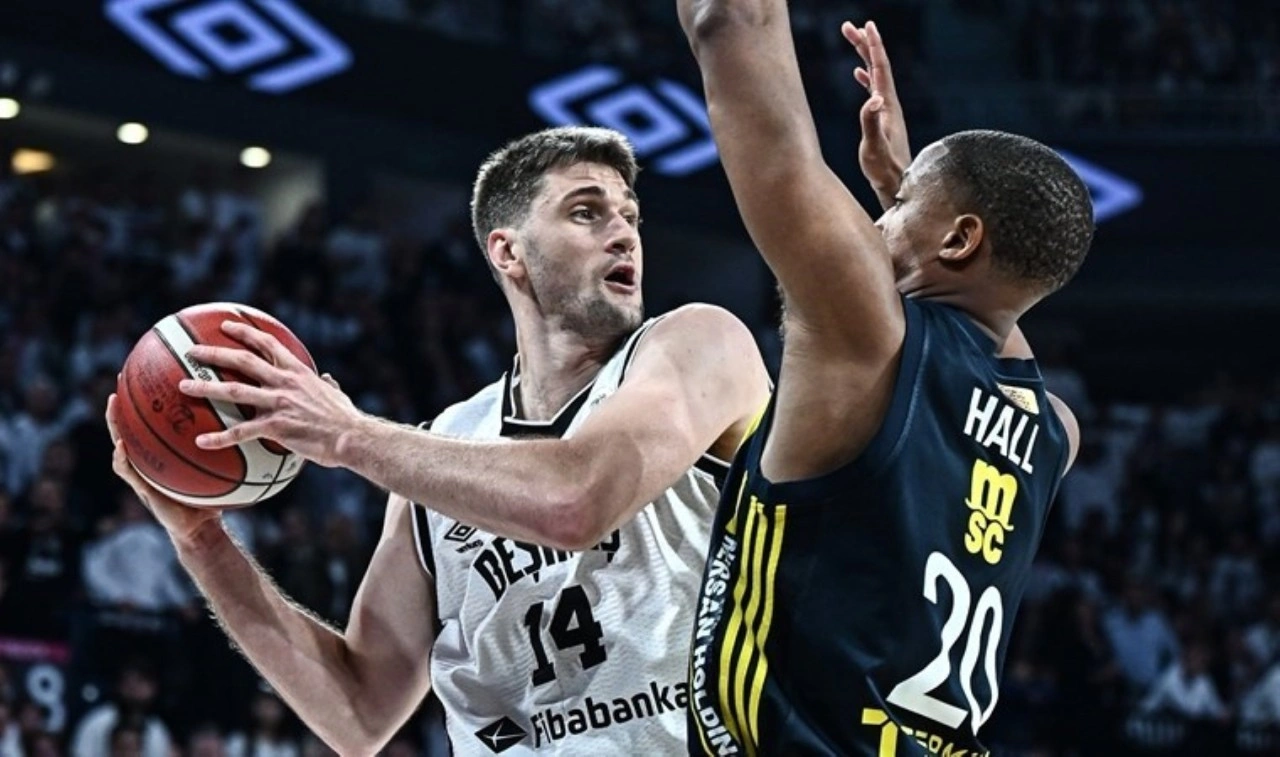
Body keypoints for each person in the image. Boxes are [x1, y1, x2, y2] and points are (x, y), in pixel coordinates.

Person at [105, 126, 772, 755]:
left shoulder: (700, 344)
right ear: (508, 251)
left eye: (630, 215)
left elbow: (575, 500)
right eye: (586, 212)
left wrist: (350, 433)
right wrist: (203, 542)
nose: (623, 234)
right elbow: (357, 712)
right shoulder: (446, 447)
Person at [677, 6, 1093, 755]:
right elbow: (996, 317)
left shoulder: (866, 338)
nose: (879, 220)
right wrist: (913, 197)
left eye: (896, 207)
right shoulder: (1052, 432)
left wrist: (918, 206)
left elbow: (728, 25)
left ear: (961, 239)